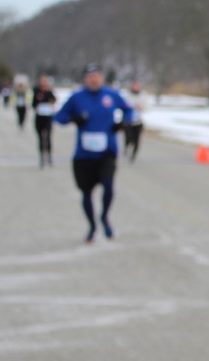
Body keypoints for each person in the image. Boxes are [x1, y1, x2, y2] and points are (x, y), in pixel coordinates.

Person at [54, 63, 133, 243]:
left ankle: (104, 217)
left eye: (97, 76)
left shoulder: (111, 95)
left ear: (102, 78)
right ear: (85, 79)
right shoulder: (77, 97)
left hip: (107, 152)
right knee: (86, 193)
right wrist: (74, 118)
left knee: (108, 186)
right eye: (90, 77)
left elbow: (129, 111)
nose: (94, 80)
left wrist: (122, 123)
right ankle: (92, 226)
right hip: (84, 155)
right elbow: (59, 117)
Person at [32, 75, 57, 167]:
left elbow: (54, 100)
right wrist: (37, 100)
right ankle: (42, 157)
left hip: (48, 118)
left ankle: (49, 157)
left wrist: (51, 101)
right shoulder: (36, 92)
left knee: (48, 137)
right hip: (39, 118)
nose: (43, 83)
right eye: (41, 81)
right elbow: (33, 105)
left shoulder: (49, 92)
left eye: (44, 81)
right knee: (41, 138)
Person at [123, 80, 147, 162]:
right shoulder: (127, 95)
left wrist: (141, 107)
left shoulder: (143, 96)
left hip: (138, 122)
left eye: (138, 86)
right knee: (129, 137)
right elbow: (122, 106)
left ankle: (133, 155)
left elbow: (147, 107)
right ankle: (126, 148)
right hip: (128, 121)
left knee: (136, 140)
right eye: (135, 86)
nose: (136, 88)